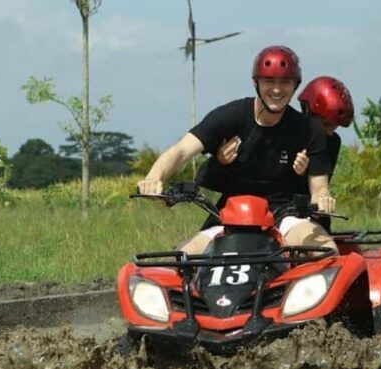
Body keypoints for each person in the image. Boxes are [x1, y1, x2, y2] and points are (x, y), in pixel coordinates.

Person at [137, 45, 337, 253]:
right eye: (269, 81)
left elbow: (319, 187)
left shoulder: (308, 130)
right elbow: (181, 151)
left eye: (285, 82)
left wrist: (322, 199)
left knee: (326, 251)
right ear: (255, 83)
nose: (277, 89)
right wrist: (154, 177)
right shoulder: (230, 115)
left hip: (286, 215)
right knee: (182, 259)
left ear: (295, 86)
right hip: (230, 215)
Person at [217, 75, 354, 231]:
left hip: (301, 214)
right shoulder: (290, 130)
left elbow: (319, 188)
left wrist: (302, 174)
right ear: (307, 110)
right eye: (325, 124)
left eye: (334, 127)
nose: (328, 132)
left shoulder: (332, 142)